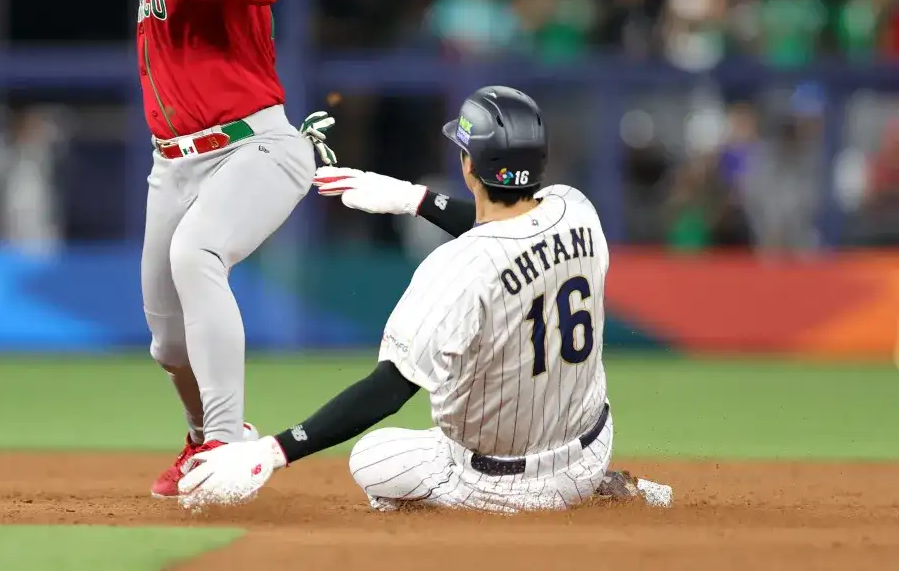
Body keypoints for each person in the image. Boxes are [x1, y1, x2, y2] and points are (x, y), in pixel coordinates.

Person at [177, 86, 672, 512]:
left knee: (371, 458)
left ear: (469, 165)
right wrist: (413, 199)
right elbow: (515, 230)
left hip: (499, 485)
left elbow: (389, 389)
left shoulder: (453, 269)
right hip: (588, 453)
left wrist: (272, 451)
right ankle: (597, 487)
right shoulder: (577, 210)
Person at [85, 0, 323, 498]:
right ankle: (200, 438)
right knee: (166, 342)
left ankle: (227, 442)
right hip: (174, 163)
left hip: (256, 146)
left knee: (198, 252)